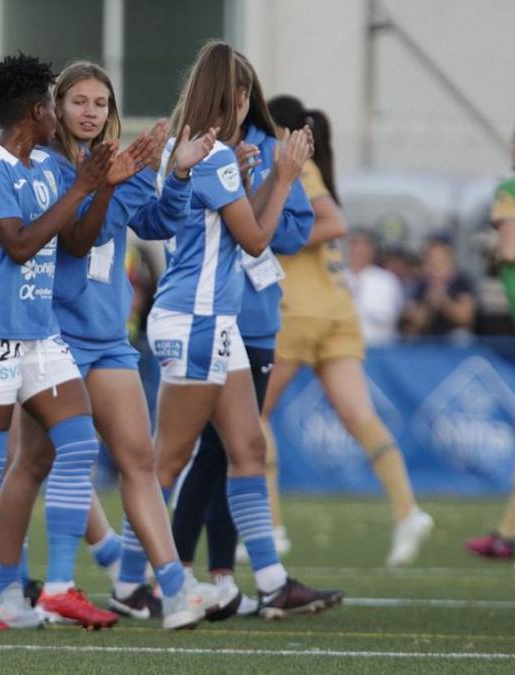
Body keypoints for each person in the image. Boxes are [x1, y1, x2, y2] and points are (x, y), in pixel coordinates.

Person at [0, 60, 224, 630]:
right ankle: (13, 586)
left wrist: (175, 176)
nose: (90, 111)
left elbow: (158, 225)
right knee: (35, 460)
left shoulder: (121, 160)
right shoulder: (46, 165)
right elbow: (78, 241)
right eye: (78, 101)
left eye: (100, 102)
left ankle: (173, 589)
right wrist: (108, 182)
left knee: (138, 460)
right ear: (56, 107)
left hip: (106, 337)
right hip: (51, 334)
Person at [147, 42, 341, 620]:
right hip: (196, 317)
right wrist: (283, 177)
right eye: (242, 89)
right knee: (168, 462)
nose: (246, 99)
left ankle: (271, 581)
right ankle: (141, 580)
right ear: (230, 94)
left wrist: (265, 181)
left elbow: (244, 229)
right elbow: (257, 240)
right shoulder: (211, 155)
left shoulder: (209, 152)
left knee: (246, 447)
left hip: (216, 318)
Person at [0, 53, 121, 630]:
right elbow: (17, 245)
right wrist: (83, 186)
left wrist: (105, 188)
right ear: (39, 111)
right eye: (54, 105)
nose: (61, 116)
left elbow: (75, 241)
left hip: (40, 335)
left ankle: (61, 586)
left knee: (80, 445)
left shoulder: (43, 166)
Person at [263, 96, 433, 567]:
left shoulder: (295, 164)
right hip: (338, 311)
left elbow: (333, 222)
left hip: (298, 309)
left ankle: (271, 527)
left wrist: (274, 235)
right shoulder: (313, 167)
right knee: (360, 418)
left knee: (252, 415)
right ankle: (407, 510)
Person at [467, 115, 515, 577]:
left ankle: (509, 536)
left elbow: (508, 252)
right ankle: (507, 535)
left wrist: (490, 251)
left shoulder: (512, 192)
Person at [402, 235, 476, 337]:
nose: (434, 260)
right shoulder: (420, 283)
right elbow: (413, 322)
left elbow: (466, 318)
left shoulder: (461, 281)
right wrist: (429, 304)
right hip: (428, 340)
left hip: (454, 341)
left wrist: (444, 302)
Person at [345, 229, 404, 345]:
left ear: (372, 249)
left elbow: (387, 317)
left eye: (365, 244)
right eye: (355, 243)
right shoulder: (337, 277)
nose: (359, 249)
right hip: (344, 348)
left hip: (378, 348)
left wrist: (352, 301)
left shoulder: (386, 280)